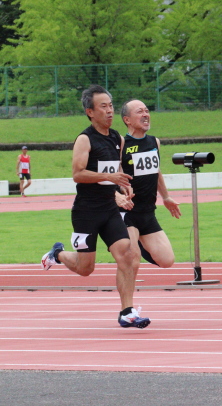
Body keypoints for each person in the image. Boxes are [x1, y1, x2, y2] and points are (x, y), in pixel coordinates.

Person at [41, 85, 150, 328]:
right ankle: (56, 254)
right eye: (103, 106)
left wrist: (122, 186)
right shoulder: (84, 139)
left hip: (109, 209)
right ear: (90, 112)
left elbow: (117, 168)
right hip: (86, 212)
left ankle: (127, 312)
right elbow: (77, 174)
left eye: (111, 105)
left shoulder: (117, 138)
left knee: (127, 254)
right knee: (85, 268)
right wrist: (109, 177)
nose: (109, 111)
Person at [116, 99, 180, 268]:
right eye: (140, 112)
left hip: (147, 212)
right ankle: (131, 245)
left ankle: (139, 242)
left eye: (147, 111)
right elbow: (113, 173)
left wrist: (166, 197)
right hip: (127, 211)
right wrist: (119, 191)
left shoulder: (154, 142)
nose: (145, 115)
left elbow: (156, 171)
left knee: (167, 261)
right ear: (127, 120)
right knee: (132, 258)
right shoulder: (121, 144)